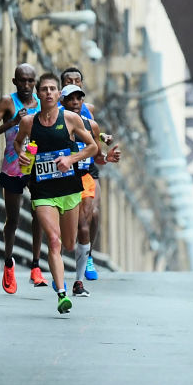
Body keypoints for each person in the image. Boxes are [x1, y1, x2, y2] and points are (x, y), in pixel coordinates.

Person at [14, 73, 97, 314]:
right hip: (42, 190)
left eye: (52, 89)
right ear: (38, 94)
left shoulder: (70, 119)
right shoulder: (29, 122)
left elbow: (92, 146)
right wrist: (21, 154)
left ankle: (58, 274)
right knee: (53, 240)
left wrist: (71, 159)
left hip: (69, 189)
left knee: (69, 244)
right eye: (44, 89)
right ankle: (62, 294)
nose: (49, 92)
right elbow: (19, 142)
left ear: (58, 94)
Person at [0, 63, 45, 294]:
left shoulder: (42, 103)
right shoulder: (7, 103)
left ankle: (36, 266)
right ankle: (8, 262)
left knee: (39, 214)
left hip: (37, 168)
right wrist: (11, 123)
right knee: (13, 219)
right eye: (22, 81)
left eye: (30, 81)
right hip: (12, 168)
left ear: (35, 83)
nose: (26, 85)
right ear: (14, 82)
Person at [60, 83, 121, 297]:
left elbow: (97, 157)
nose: (75, 102)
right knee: (61, 233)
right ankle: (58, 275)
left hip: (84, 179)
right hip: (60, 179)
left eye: (79, 98)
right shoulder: (54, 123)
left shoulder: (91, 126)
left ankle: (78, 282)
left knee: (83, 227)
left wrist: (107, 158)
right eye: (71, 99)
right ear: (63, 102)